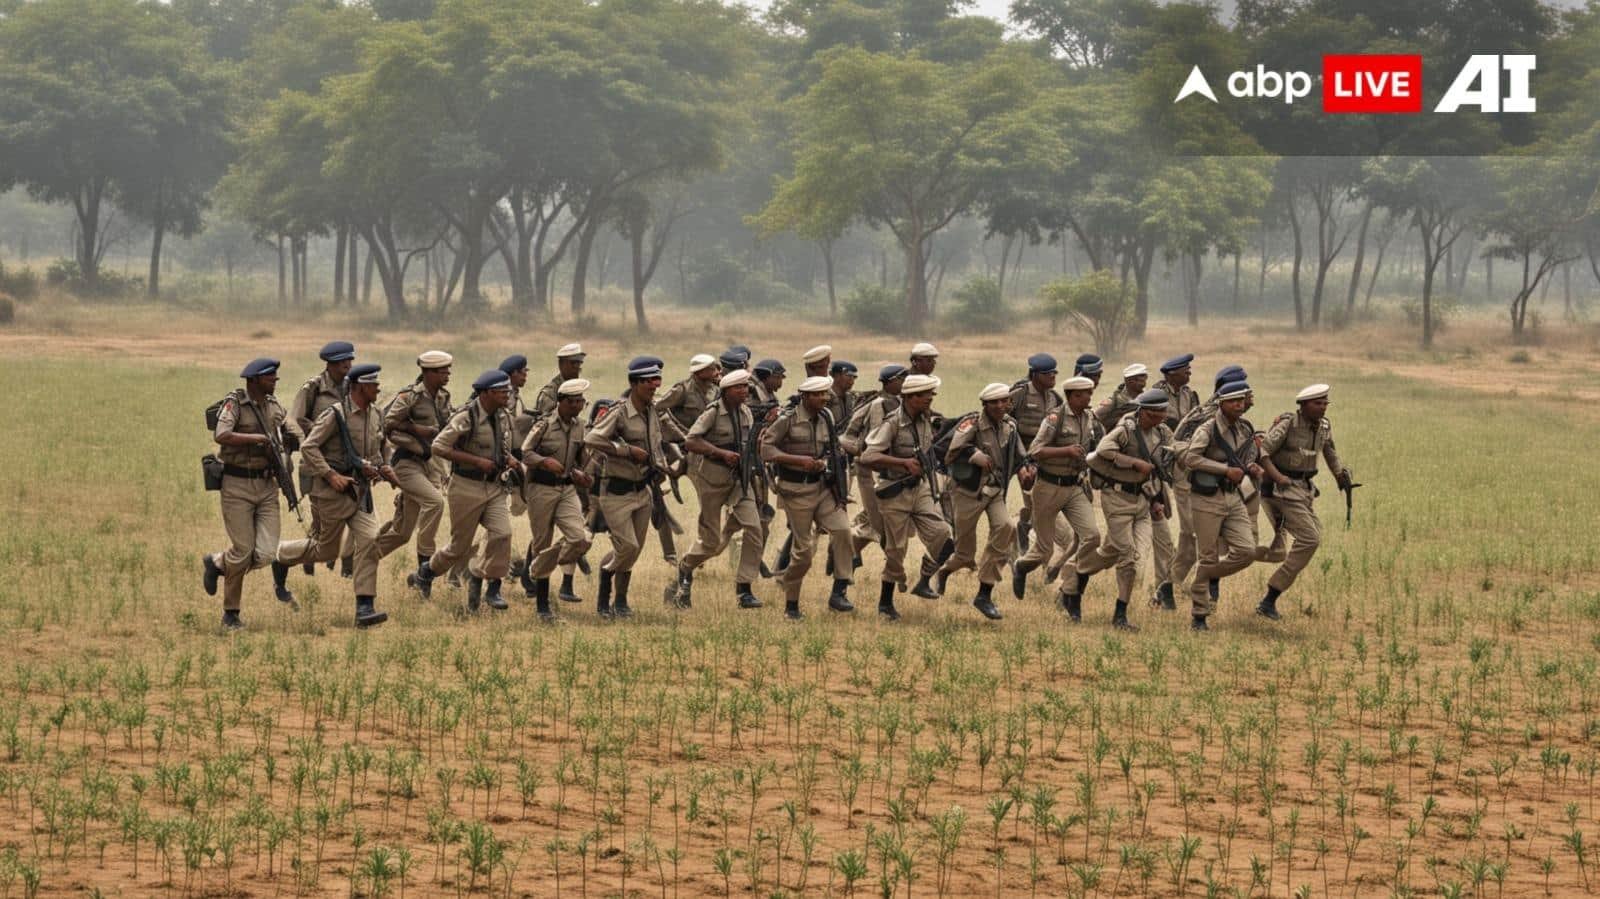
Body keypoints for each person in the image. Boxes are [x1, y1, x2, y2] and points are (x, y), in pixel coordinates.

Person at [273, 363, 396, 627]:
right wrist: (331, 475)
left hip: (361, 493)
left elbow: (378, 447)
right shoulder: (335, 415)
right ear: (361, 387)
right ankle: (282, 554)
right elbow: (309, 447)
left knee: (370, 538)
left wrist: (382, 467)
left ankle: (364, 606)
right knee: (326, 550)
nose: (378, 388)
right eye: (374, 384)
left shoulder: (375, 415)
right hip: (332, 493)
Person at [201, 358, 305, 630]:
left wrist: (294, 437)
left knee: (267, 552)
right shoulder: (235, 404)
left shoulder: (273, 406)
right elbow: (221, 434)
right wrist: (256, 439)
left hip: (268, 486)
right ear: (255, 380)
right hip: (237, 486)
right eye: (271, 378)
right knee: (244, 550)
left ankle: (217, 563)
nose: (275, 381)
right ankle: (230, 614)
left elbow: (288, 427)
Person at [409, 369, 524, 611]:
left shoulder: (503, 416)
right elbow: (439, 446)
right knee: (457, 548)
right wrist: (475, 461)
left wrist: (510, 459)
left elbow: (500, 446)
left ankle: (493, 589)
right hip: (465, 487)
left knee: (502, 534)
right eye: (503, 391)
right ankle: (427, 571)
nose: (508, 394)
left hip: (493, 486)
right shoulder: (466, 416)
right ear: (488, 393)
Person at [1073, 389, 1174, 631]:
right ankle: (1120, 616)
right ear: (1145, 412)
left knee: (1113, 553)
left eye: (1163, 413)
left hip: (1143, 500)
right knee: (1128, 557)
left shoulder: (1162, 433)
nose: (1162, 417)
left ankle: (1078, 573)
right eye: (1157, 413)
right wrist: (1134, 463)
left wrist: (1157, 499)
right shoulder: (1126, 429)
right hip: (1117, 499)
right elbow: (1104, 450)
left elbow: (1161, 465)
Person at [935, 383, 1035, 620]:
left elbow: (1021, 456)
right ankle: (944, 571)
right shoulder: (972, 424)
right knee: (964, 553)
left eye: (1004, 401)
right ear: (985, 405)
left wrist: (1024, 471)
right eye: (995, 402)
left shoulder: (1010, 426)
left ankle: (984, 593)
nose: (1000, 406)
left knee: (1006, 528)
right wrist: (972, 454)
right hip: (968, 493)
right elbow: (947, 450)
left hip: (994, 491)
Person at [760, 375, 855, 619]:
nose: (824, 398)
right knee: (803, 552)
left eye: (825, 394)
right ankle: (791, 605)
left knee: (843, 531)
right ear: (805, 396)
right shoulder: (787, 420)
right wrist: (798, 460)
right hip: (796, 491)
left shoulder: (827, 417)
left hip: (824, 488)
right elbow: (766, 450)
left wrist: (840, 486)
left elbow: (833, 450)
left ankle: (839, 591)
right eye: (818, 394)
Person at [1255, 384, 1352, 620]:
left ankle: (1241, 560)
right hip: (1283, 490)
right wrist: (1278, 478)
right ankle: (1270, 597)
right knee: (1310, 539)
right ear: (1303, 405)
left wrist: (1340, 476)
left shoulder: (1324, 426)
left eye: (1325, 403)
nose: (1323, 407)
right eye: (1318, 403)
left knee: (1311, 537)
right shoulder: (1288, 424)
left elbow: (1329, 451)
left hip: (1305, 489)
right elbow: (1263, 453)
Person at [584, 356, 672, 618]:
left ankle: (620, 603)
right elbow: (591, 438)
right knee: (628, 547)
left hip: (642, 491)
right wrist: (625, 450)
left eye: (656, 381)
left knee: (633, 551)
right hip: (616, 493)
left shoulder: (652, 411)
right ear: (634, 384)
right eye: (648, 382)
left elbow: (656, 444)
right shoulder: (619, 411)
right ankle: (604, 588)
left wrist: (663, 467)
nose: (654, 387)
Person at [860, 374, 952, 620]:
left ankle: (924, 579)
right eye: (927, 395)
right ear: (912, 398)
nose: (931, 398)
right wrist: (902, 463)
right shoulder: (892, 423)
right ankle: (885, 604)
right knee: (896, 551)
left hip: (920, 489)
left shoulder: (925, 421)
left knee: (943, 533)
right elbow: (868, 457)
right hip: (895, 491)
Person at [673, 368, 766, 610]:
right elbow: (691, 441)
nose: (745, 391)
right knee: (711, 542)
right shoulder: (713, 412)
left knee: (755, 528)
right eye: (739, 388)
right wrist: (721, 453)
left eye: (746, 387)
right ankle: (686, 567)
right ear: (726, 391)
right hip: (712, 481)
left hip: (739, 483)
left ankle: (744, 588)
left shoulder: (746, 413)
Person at [1179, 380, 1263, 630]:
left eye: (1242, 400)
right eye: (1234, 401)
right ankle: (1199, 615)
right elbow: (1191, 458)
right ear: (1221, 403)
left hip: (1233, 497)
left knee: (1247, 550)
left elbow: (1244, 458)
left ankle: (1204, 577)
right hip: (1206, 497)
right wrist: (1225, 470)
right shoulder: (1207, 429)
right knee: (1207, 555)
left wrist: (1251, 467)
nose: (1240, 404)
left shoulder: (1244, 427)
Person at [1013, 375, 1099, 601]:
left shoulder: (1088, 417)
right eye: (1085, 394)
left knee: (1092, 537)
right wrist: (1066, 451)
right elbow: (1035, 451)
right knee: (1044, 549)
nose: (1090, 396)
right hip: (1049, 486)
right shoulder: (1055, 418)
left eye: (1090, 392)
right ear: (1072, 396)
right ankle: (1021, 567)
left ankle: (1068, 587)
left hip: (1074, 486)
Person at [518, 378, 595, 621]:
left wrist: (583, 474)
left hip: (567, 489)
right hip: (541, 488)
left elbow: (581, 458)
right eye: (574, 402)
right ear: (562, 402)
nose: (579, 406)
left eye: (582, 401)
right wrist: (544, 461)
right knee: (542, 543)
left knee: (580, 538)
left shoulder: (580, 426)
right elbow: (525, 453)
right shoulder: (544, 425)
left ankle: (537, 568)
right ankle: (542, 607)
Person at [376, 351, 452, 578]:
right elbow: (388, 424)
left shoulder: (443, 397)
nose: (447, 374)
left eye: (448, 369)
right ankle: (424, 573)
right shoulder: (410, 396)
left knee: (402, 533)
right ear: (428, 373)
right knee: (435, 503)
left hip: (431, 464)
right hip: (407, 463)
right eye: (442, 371)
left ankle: (364, 556)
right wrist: (416, 429)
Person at [290, 340, 357, 577]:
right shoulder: (314, 388)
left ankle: (346, 563)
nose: (347, 366)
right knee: (319, 520)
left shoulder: (353, 387)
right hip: (316, 464)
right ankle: (310, 558)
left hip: (346, 462)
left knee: (354, 514)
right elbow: (295, 421)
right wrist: (313, 437)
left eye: (350, 361)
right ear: (329, 364)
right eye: (342, 362)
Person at [532, 343, 587, 600]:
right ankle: (535, 579)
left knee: (576, 535)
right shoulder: (549, 394)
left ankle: (559, 580)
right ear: (562, 364)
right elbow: (542, 434)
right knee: (543, 539)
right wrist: (544, 462)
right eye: (573, 363)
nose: (577, 368)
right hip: (543, 481)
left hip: (566, 482)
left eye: (579, 363)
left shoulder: (576, 397)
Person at [1148, 354, 1200, 610]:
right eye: (1185, 369)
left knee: (1191, 538)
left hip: (1186, 463)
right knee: (1191, 531)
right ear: (1171, 373)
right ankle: (1166, 587)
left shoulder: (1191, 395)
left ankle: (1165, 587)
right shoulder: (1156, 394)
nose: (1189, 372)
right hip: (1167, 468)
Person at [844, 364, 907, 559]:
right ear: (892, 382)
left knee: (876, 519)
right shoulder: (880, 404)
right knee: (880, 523)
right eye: (902, 379)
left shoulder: (898, 402)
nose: (905, 383)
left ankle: (846, 550)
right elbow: (876, 440)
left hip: (887, 470)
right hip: (875, 471)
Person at [1008, 353, 1063, 554]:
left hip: (1043, 457)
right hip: (1021, 455)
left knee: (1038, 500)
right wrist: (1020, 460)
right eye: (1048, 373)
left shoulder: (1055, 398)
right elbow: (1002, 420)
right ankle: (1025, 535)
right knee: (1034, 496)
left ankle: (1023, 525)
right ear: (1035, 375)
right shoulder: (1020, 393)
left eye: (1054, 372)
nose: (1053, 376)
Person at [658, 353, 720, 433]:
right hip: (684, 440)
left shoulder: (717, 390)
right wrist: (677, 430)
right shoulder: (683, 389)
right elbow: (659, 408)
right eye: (712, 369)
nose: (717, 372)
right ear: (699, 372)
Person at [1094, 363, 1148, 431]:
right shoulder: (1114, 401)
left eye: (1145, 379)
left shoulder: (1147, 398)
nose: (1144, 384)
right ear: (1129, 381)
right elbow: (1096, 418)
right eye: (1140, 381)